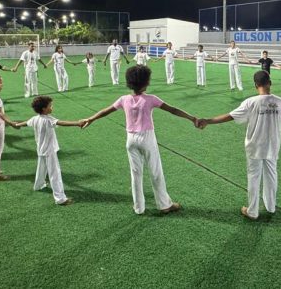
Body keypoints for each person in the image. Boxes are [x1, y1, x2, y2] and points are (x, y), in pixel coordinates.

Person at [83, 65, 196, 215]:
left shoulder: (124, 99)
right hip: (147, 137)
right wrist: (192, 118)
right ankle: (164, 205)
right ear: (146, 82)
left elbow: (106, 111)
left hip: (130, 140)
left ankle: (139, 207)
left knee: (135, 173)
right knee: (155, 171)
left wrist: (91, 118)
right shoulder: (151, 99)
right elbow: (173, 109)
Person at [198, 71, 281, 220]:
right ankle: (271, 207)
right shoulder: (279, 101)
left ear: (256, 85)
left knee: (254, 177)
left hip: (255, 146)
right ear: (270, 83)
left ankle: (253, 211)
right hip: (272, 146)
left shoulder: (251, 102)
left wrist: (208, 120)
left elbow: (231, 116)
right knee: (272, 175)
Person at [15, 96, 85, 205]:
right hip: (49, 150)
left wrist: (17, 125)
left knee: (41, 168)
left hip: (41, 149)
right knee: (55, 173)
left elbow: (25, 123)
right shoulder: (48, 120)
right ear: (44, 109)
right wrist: (77, 123)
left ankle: (38, 185)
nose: (52, 107)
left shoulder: (35, 118)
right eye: (50, 106)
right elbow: (61, 122)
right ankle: (60, 199)